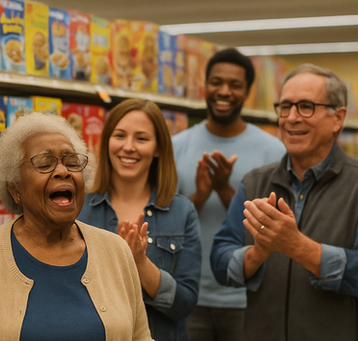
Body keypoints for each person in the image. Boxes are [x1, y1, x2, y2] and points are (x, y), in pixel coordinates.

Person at [0, 112, 154, 341]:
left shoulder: (116, 251)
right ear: (14, 188)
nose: (63, 171)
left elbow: (140, 336)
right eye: (44, 164)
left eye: (72, 162)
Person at [210, 64, 358, 341]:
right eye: (285, 106)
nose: (291, 118)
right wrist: (257, 253)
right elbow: (220, 261)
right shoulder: (254, 183)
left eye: (305, 107)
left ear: (338, 118)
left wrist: (299, 247)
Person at [172, 47, 286, 341]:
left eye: (235, 85)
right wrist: (198, 196)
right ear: (204, 85)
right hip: (187, 293)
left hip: (249, 296)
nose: (224, 91)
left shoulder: (273, 151)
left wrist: (225, 190)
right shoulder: (176, 146)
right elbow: (165, 221)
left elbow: (278, 228)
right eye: (216, 82)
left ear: (247, 91)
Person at [78, 98, 202, 341]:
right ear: (106, 142)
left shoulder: (181, 211)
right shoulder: (79, 209)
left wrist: (140, 263)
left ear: (158, 149)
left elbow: (185, 304)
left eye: (142, 139)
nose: (128, 147)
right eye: (120, 135)